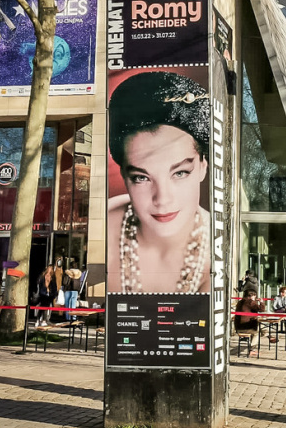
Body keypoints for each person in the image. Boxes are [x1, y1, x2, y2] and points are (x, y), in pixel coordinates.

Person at [107, 71, 211, 294]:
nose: (162, 199)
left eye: (180, 173)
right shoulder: (107, 224)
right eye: (141, 178)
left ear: (203, 166)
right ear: (125, 176)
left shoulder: (217, 251)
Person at [234, 289, 263, 357]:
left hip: (238, 327)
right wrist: (261, 302)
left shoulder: (240, 302)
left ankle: (268, 336)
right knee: (256, 333)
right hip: (245, 327)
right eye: (254, 296)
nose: (255, 298)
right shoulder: (250, 302)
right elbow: (261, 309)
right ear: (252, 296)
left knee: (258, 327)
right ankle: (252, 350)